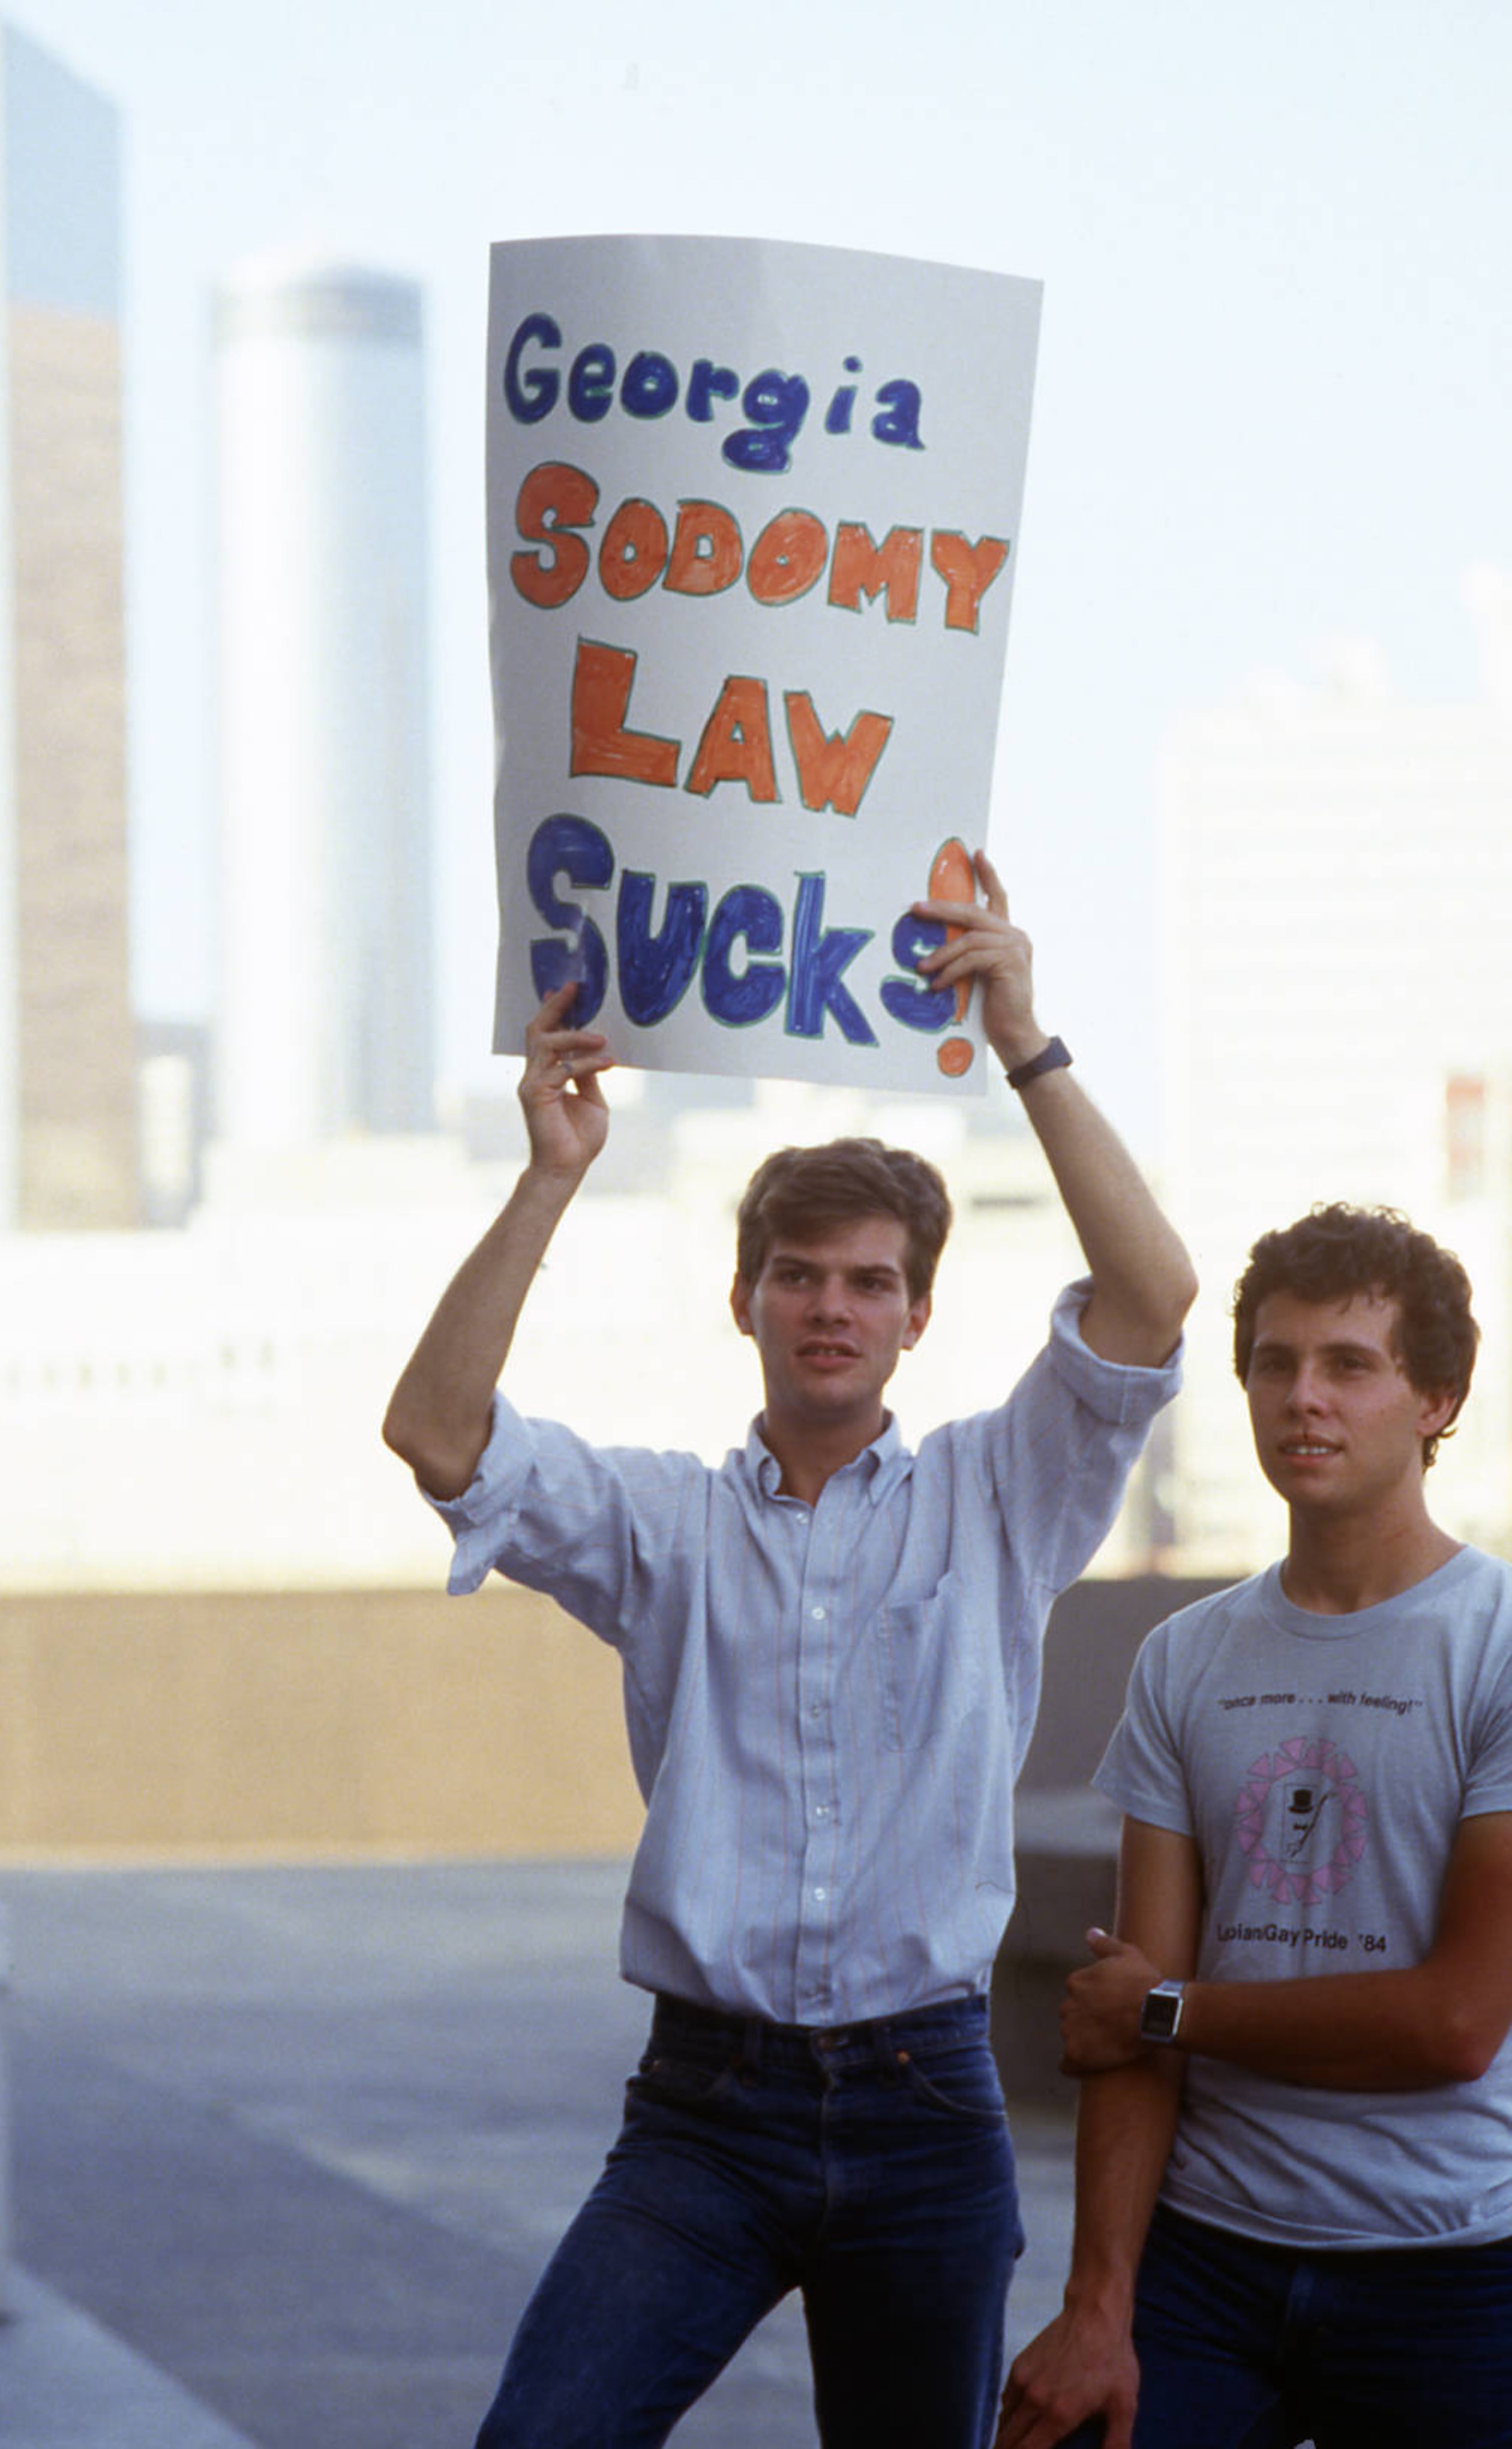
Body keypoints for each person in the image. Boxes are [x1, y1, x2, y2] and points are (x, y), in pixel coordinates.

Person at [382, 852, 1194, 2449]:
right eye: (801, 1277)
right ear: (744, 1300)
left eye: (870, 1283)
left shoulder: (998, 1493)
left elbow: (1155, 1298)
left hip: (927, 2106)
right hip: (704, 2117)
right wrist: (551, 1173)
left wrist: (1025, 1039)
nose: (834, 1306)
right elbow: (434, 1432)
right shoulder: (662, 1523)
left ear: (917, 1317)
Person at [997, 1203, 1512, 2449]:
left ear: (1437, 1400)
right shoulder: (1188, 1657)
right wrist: (1097, 2307)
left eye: (1351, 1365)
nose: (1304, 1399)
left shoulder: (1494, 1642)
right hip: (1207, 2256)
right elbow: (1132, 2016)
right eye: (1275, 1364)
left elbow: (1454, 2024)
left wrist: (1174, 2009)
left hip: (1450, 2269)